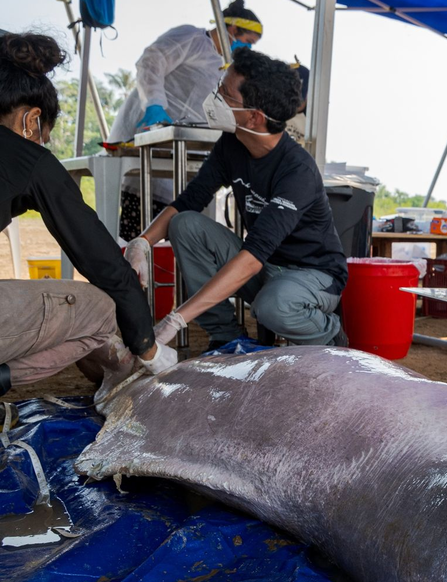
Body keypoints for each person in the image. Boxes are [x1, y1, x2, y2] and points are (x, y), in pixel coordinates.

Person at [125, 49, 347, 351]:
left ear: (253, 118)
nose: (214, 97)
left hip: (312, 275)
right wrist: (142, 242)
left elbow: (253, 256)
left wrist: (177, 319)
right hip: (265, 265)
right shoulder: (232, 144)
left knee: (273, 307)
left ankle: (329, 334)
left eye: (224, 94)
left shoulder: (298, 171)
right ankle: (226, 336)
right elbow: (190, 199)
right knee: (185, 224)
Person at [0, 32, 176, 397]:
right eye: (44, 135)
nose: (42, 144)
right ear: (32, 120)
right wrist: (150, 348)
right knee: (100, 308)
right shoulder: (28, 157)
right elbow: (104, 267)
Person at [109, 0, 263, 241]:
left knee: (173, 224)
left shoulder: (226, 67)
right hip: (148, 129)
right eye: (249, 42)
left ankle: (154, 275)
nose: (248, 49)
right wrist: (155, 104)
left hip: (180, 146)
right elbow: (151, 61)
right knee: (137, 225)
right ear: (232, 30)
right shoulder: (193, 38)